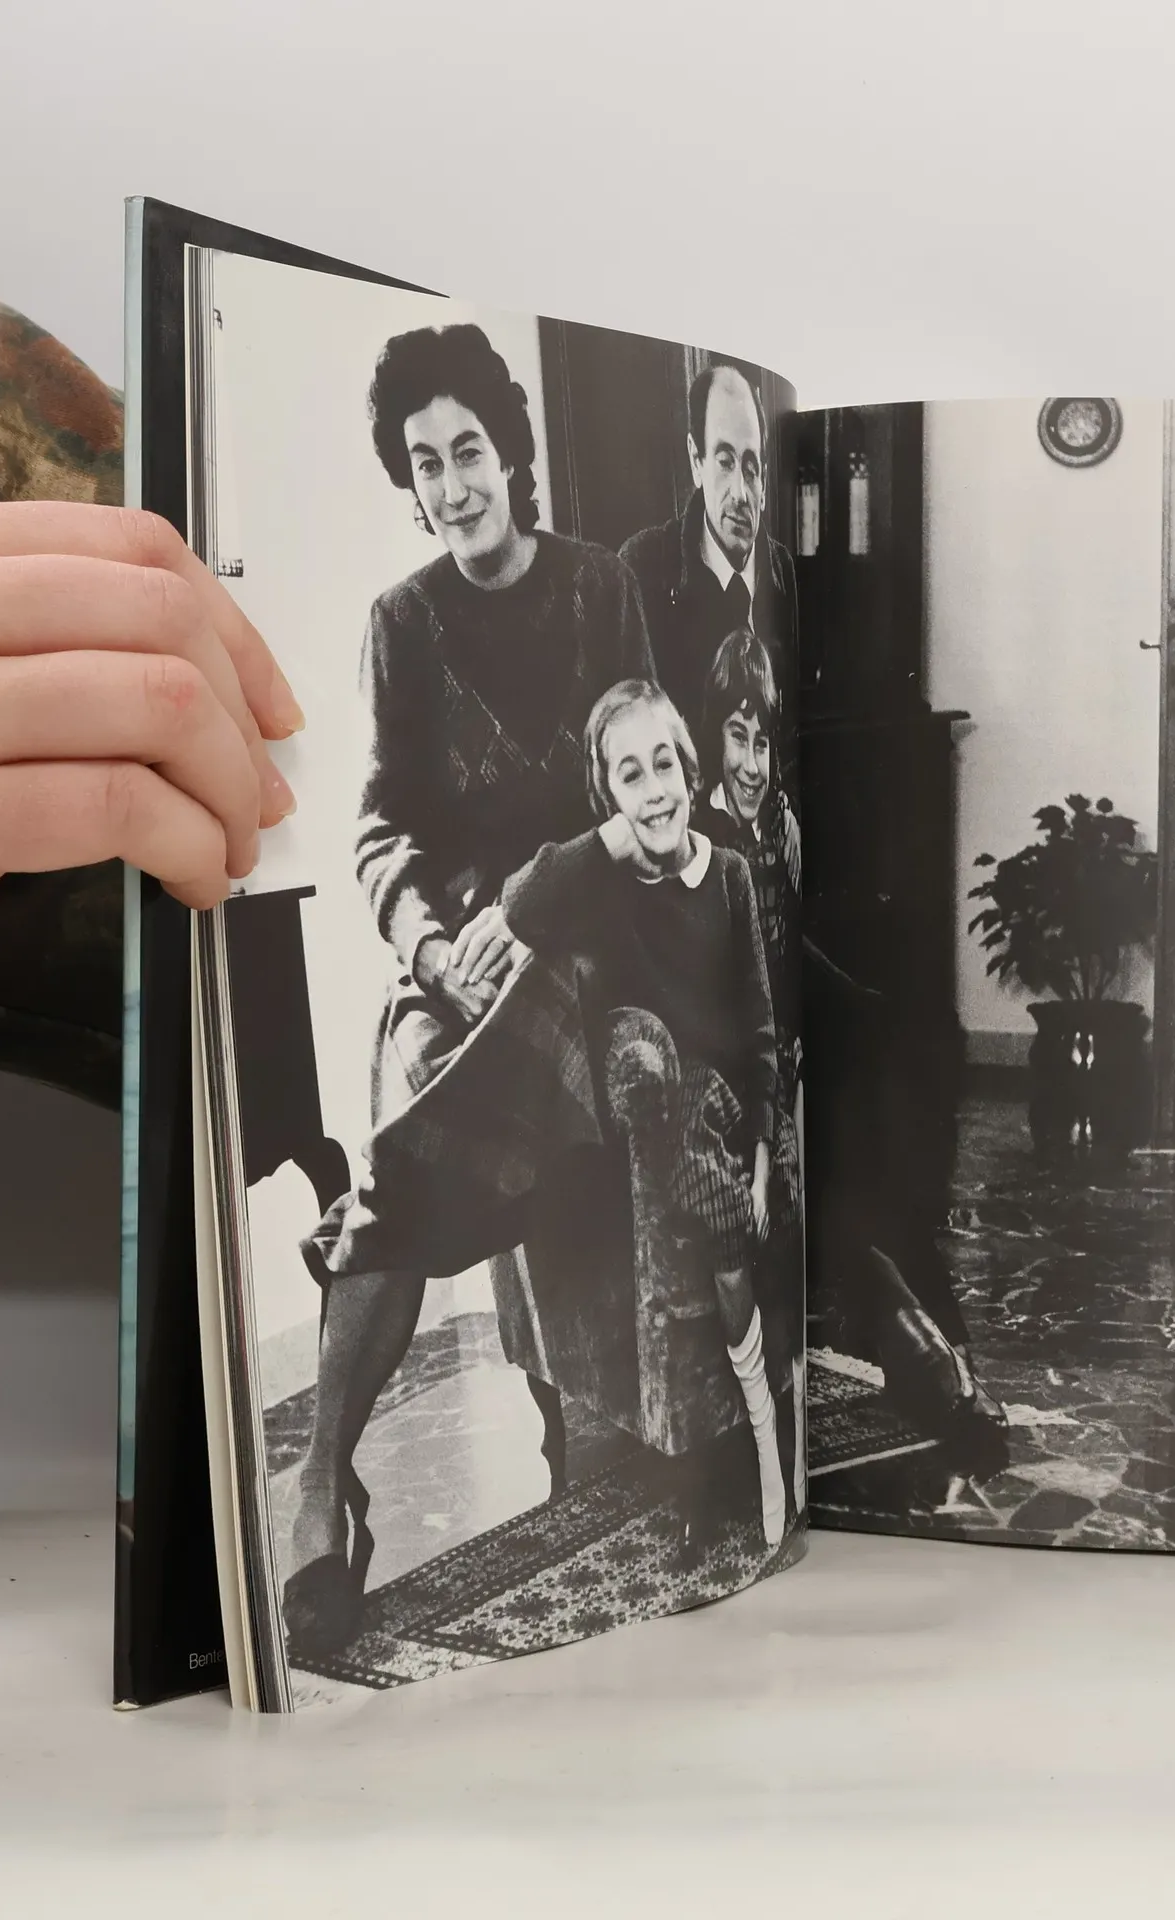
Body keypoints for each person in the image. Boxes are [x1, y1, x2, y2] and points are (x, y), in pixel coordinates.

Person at [282, 322, 658, 1651]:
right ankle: (334, 1471)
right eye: (427, 462)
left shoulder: (602, 588)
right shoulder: (401, 623)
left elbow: (644, 788)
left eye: (469, 452)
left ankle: (321, 1488)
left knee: (501, 1048)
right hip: (453, 955)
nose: (452, 484)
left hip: (586, 932)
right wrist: (431, 948)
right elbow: (380, 829)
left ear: (512, 455)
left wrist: (527, 907)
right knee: (428, 1060)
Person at [502, 679, 794, 1551]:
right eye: (629, 776)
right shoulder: (608, 886)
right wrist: (607, 842)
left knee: (766, 1197)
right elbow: (521, 903)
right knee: (718, 1202)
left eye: (664, 765)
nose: (655, 790)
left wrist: (767, 1149)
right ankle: (758, 1429)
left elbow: (761, 1027)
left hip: (736, 1109)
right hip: (671, 1114)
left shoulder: (728, 874)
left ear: (692, 773)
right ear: (610, 800)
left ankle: (774, 1410)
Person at [699, 626, 805, 1508]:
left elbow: (789, 954)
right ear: (711, 738)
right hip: (722, 1079)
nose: (753, 762)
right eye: (737, 737)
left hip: (776, 1066)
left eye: (763, 742)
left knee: (791, 1230)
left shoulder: (776, 833)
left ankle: (787, 1420)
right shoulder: (697, 842)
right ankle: (750, 1431)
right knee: (740, 1232)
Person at [616, 362, 799, 763]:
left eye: (751, 468)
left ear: (765, 481)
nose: (741, 493)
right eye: (725, 461)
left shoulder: (783, 571)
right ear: (695, 461)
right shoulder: (642, 569)